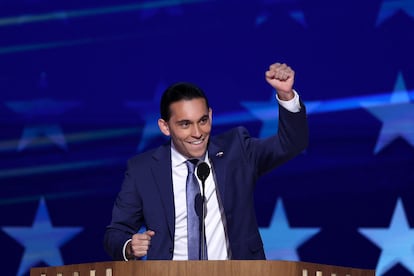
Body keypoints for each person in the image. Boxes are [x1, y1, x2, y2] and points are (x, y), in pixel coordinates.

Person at [104, 62, 309, 261]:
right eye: (185, 124)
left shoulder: (237, 151)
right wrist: (129, 246)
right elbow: (116, 232)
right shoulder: (143, 170)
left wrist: (286, 96)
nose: (197, 133)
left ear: (210, 115)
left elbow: (291, 144)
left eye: (203, 121)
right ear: (165, 127)